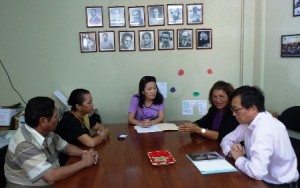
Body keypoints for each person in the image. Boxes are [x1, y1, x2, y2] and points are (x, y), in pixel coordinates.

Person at [4, 97, 98, 188]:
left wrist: (86, 154)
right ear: (43, 121)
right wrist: (84, 163)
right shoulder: (24, 144)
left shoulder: (47, 132)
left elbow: (66, 147)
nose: (59, 118)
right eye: (56, 116)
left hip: (52, 181)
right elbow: (50, 176)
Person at [221, 86, 299, 187]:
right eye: (232, 109)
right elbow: (226, 139)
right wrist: (232, 150)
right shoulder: (248, 122)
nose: (233, 114)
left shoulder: (264, 129)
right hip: (260, 179)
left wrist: (239, 158)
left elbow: (257, 172)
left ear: (253, 108)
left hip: (277, 184)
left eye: (236, 110)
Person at [54, 89, 109, 165]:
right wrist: (103, 135)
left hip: (83, 153)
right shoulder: (69, 120)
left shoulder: (84, 116)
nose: (92, 104)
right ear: (78, 106)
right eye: (89, 102)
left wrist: (103, 131)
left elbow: (99, 126)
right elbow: (91, 143)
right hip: (69, 160)